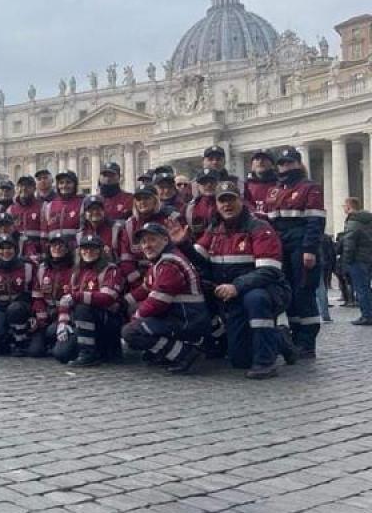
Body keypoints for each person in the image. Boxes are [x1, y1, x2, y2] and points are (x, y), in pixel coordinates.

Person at [172, 181, 290, 379]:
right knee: (239, 360)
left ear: (241, 201)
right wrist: (183, 245)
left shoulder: (260, 228)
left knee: (256, 299)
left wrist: (236, 286)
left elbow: (270, 271)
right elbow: (201, 261)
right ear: (217, 204)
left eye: (231, 199)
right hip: (233, 295)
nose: (227, 205)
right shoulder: (214, 230)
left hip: (266, 290)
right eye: (222, 201)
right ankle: (281, 339)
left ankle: (265, 362)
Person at [121, 223, 211, 374]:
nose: (147, 246)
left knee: (130, 332)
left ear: (165, 239)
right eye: (143, 242)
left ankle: (184, 354)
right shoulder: (160, 261)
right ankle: (166, 352)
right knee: (131, 311)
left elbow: (158, 302)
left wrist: (135, 319)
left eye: (152, 240)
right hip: (181, 316)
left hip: (187, 320)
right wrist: (122, 302)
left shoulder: (170, 263)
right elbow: (145, 288)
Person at [263, 147, 325, 357]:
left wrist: (309, 249)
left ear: (298, 164)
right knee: (288, 292)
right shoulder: (274, 190)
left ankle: (307, 342)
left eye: (289, 163)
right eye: (281, 163)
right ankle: (295, 337)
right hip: (281, 246)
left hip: (300, 245)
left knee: (303, 292)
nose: (285, 167)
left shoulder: (310, 188)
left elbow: (315, 221)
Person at [54, 233, 123, 367]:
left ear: (101, 251)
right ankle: (96, 349)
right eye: (84, 248)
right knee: (61, 353)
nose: (88, 251)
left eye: (93, 248)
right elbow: (66, 299)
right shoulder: (77, 272)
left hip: (106, 319)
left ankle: (88, 354)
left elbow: (108, 298)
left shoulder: (111, 270)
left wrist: (77, 296)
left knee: (82, 307)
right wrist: (63, 322)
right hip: (83, 320)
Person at [0, 234, 35, 356]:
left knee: (15, 309)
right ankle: (5, 341)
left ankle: (20, 342)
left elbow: (35, 293)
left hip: (21, 307)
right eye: (1, 248)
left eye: (9, 248)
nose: (5, 251)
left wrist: (34, 315)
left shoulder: (27, 267)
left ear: (15, 250)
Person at [30, 231, 75, 358]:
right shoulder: (42, 269)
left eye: (61, 246)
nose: (57, 248)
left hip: (67, 315)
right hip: (46, 314)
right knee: (35, 351)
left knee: (53, 336)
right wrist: (41, 320)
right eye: (54, 246)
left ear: (67, 249)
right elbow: (37, 297)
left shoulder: (74, 270)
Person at [341, 197, 372, 326]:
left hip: (357, 259)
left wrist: (345, 261)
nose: (343, 208)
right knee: (366, 287)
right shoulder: (368, 220)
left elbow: (349, 243)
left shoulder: (353, 221)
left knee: (361, 288)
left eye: (344, 206)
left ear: (349, 207)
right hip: (368, 257)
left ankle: (367, 316)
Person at [41, 170, 83, 243]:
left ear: (75, 184)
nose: (64, 186)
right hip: (55, 250)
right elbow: (45, 232)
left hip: (74, 251)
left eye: (68, 182)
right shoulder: (49, 206)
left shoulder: (82, 204)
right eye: (61, 183)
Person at [9, 175, 43, 263]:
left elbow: (46, 233)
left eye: (28, 186)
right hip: (15, 255)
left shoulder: (42, 207)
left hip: (37, 255)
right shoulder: (11, 209)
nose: (24, 188)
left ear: (34, 189)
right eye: (21, 186)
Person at [79, 194, 122, 261]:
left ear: (104, 211)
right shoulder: (80, 234)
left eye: (98, 208)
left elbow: (122, 256)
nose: (95, 212)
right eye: (90, 209)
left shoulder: (116, 231)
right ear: (84, 213)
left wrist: (110, 255)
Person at [184, 168, 220, 240]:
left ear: (218, 183)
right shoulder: (191, 207)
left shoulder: (228, 202)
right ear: (198, 186)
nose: (208, 185)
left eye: (212, 182)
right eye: (204, 182)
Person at [243, 149, 277, 217]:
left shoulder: (280, 185)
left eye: (264, 159)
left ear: (273, 165)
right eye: (257, 159)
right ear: (251, 165)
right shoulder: (244, 187)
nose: (260, 162)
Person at [317, 233, 335, 323]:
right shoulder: (325, 237)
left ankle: (317, 314)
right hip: (323, 263)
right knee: (322, 288)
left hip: (312, 262)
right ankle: (325, 315)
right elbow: (331, 253)